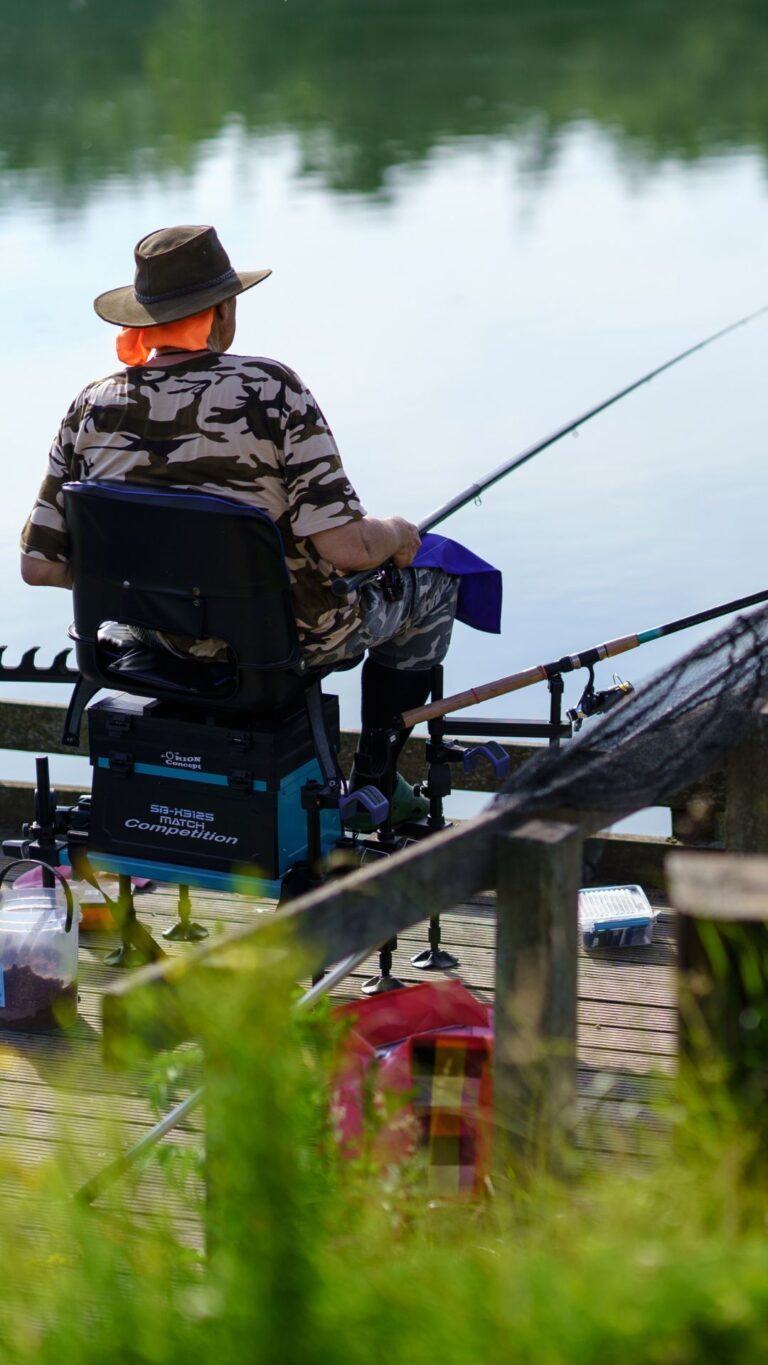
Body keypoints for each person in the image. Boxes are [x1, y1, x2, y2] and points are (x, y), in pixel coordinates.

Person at [20, 224, 459, 824]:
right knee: (435, 586)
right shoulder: (270, 390)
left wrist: (154, 578)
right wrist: (398, 532)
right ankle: (375, 778)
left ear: (145, 319)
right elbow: (348, 549)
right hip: (283, 644)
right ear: (222, 311)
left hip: (155, 636)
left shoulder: (90, 406)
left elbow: (40, 566)